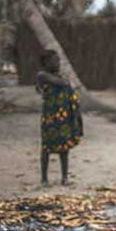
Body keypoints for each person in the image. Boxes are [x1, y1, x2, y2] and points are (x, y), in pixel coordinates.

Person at [36, 49, 83, 186]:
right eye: (55, 61)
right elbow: (59, 84)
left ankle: (65, 178)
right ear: (46, 62)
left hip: (63, 115)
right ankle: (44, 179)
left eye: (58, 60)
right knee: (46, 147)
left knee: (64, 148)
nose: (58, 63)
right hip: (50, 116)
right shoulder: (43, 75)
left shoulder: (59, 76)